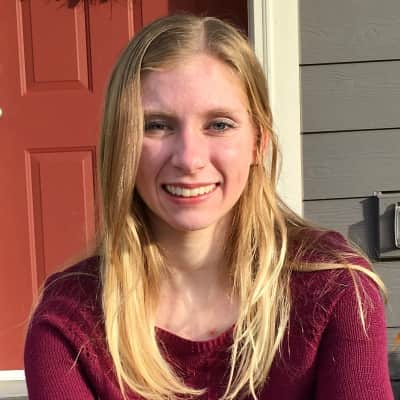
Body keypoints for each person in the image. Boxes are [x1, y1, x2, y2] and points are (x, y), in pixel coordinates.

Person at [24, 14, 393, 400]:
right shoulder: (69, 322)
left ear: (259, 143)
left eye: (219, 125)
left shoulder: (335, 288)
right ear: (122, 144)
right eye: (156, 125)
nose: (189, 159)